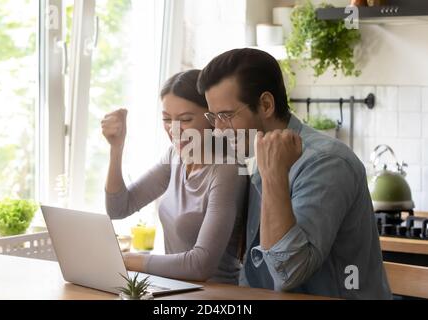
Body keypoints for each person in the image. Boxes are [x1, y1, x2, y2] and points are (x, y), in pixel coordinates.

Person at [197, 48, 391, 299]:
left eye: (226, 116)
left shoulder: (327, 162)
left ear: (265, 105)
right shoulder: (253, 154)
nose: (219, 131)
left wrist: (273, 175)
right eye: (214, 117)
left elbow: (287, 273)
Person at [101, 69, 247, 284]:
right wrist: (116, 147)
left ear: (212, 118)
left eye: (185, 119)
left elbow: (200, 265)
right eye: (167, 119)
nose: (174, 129)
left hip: (218, 294)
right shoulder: (175, 157)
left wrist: (127, 260)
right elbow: (119, 208)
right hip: (176, 288)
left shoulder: (227, 171)